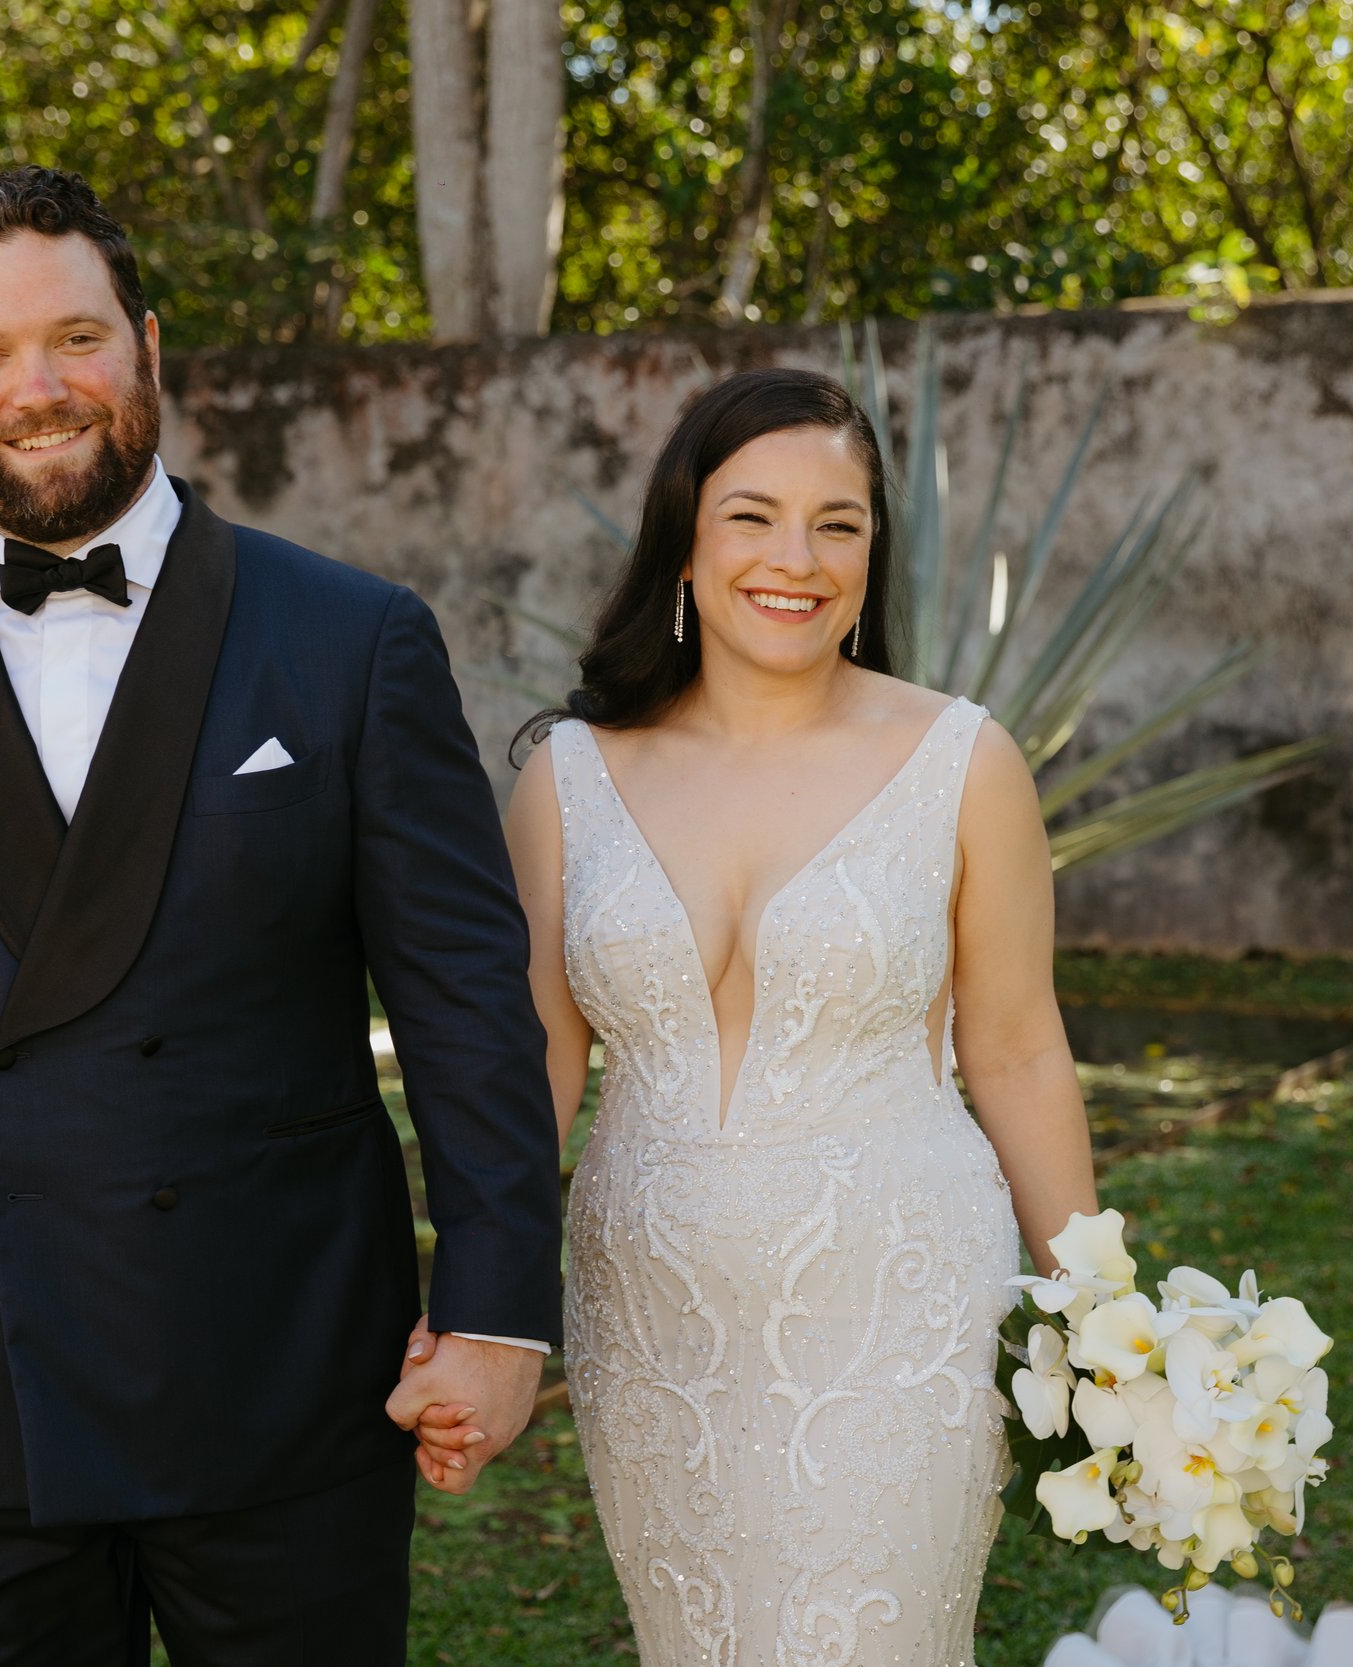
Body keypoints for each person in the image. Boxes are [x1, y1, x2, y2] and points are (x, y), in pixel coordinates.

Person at [0, 163, 561, 1666]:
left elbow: (468, 1002)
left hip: (282, 1374)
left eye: (76, 338)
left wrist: (495, 1312)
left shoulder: (353, 641)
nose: (39, 388)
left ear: (148, 346)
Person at [423, 368, 1100, 1665]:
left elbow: (1015, 1047)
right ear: (684, 537)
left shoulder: (963, 760)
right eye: (753, 516)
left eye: (837, 523)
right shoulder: (569, 778)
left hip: (899, 1302)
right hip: (653, 1318)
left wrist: (1098, 1311)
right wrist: (481, 1306)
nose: (797, 558)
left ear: (873, 553)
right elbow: (536, 1063)